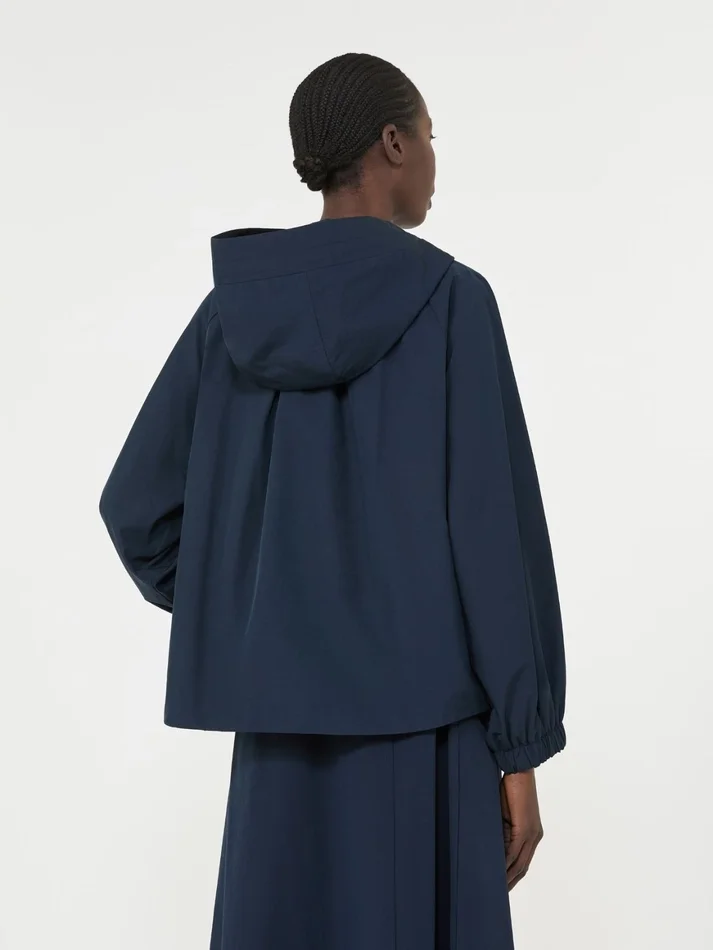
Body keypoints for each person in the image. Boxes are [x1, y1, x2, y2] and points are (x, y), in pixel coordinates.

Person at [99, 52, 566, 950]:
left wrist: (254, 607)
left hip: (278, 738)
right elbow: (491, 539)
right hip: (427, 731)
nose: (433, 157)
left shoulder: (231, 315)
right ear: (392, 143)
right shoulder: (452, 302)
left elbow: (136, 509)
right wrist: (521, 748)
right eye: (429, 136)